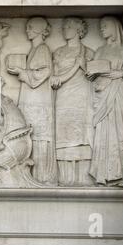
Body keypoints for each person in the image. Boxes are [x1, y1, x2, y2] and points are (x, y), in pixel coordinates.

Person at [87, 16, 123, 187]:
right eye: (100, 26)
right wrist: (92, 73)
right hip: (102, 95)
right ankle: (104, 174)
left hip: (118, 95)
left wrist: (121, 74)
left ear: (115, 27)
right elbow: (93, 70)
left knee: (119, 131)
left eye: (105, 26)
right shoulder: (100, 51)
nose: (102, 29)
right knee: (104, 132)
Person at [7, 17, 56, 185]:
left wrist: (22, 72)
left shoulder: (42, 49)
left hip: (38, 98)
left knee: (37, 134)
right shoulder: (36, 49)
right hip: (31, 96)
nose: (27, 30)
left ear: (39, 30)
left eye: (30, 27)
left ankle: (41, 175)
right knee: (30, 132)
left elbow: (44, 72)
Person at [50, 17, 94, 186]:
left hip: (82, 96)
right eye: (64, 26)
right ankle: (65, 178)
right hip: (63, 96)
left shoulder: (88, 52)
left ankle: (84, 177)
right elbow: (54, 78)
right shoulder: (59, 52)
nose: (64, 29)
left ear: (79, 30)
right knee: (64, 134)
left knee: (82, 134)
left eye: (69, 26)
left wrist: (83, 65)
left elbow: (95, 77)